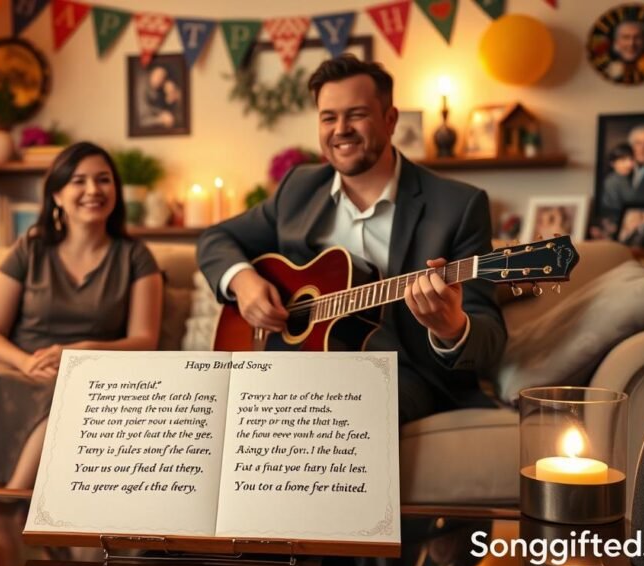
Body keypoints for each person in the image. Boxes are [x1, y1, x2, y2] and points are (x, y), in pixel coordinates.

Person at [197, 54, 507, 424]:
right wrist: (243, 283)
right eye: (328, 117)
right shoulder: (299, 188)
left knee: (339, 411)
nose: (340, 129)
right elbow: (216, 238)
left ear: (390, 120)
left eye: (356, 114)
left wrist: (450, 326)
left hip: (400, 375)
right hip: (291, 372)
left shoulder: (457, 206)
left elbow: (489, 334)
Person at [0, 142, 164, 488]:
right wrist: (26, 363)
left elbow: (145, 342)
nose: (93, 190)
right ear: (57, 194)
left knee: (67, 394)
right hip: (15, 364)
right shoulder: (31, 248)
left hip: (87, 372)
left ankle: (12, 505)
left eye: (103, 180)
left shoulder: (136, 256)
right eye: (79, 181)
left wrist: (81, 352)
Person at [600, 142, 636, 225]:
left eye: (631, 159)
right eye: (623, 160)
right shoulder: (611, 182)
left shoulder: (629, 179)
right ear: (612, 163)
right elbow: (614, 209)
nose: (629, 164)